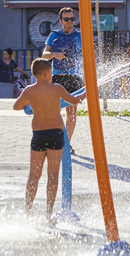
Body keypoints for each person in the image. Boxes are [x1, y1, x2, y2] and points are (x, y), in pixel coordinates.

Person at [13, 58, 84, 219]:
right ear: (46, 73)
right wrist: (85, 94)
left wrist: (29, 105)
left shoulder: (30, 90)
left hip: (38, 135)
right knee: (52, 175)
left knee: (34, 175)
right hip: (56, 135)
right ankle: (49, 212)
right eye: (51, 73)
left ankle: (27, 211)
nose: (52, 76)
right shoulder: (57, 89)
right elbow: (74, 100)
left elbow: (16, 106)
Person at [42, 7, 83, 148]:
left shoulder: (79, 36)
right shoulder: (54, 36)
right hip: (57, 78)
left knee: (71, 114)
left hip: (74, 78)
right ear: (61, 21)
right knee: (55, 112)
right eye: (66, 19)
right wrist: (55, 54)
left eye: (72, 19)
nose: (70, 22)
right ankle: (55, 141)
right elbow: (44, 56)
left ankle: (67, 144)